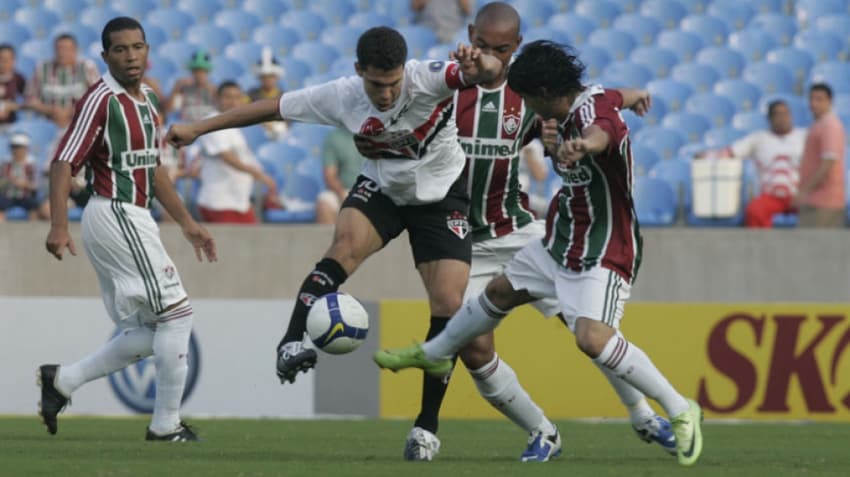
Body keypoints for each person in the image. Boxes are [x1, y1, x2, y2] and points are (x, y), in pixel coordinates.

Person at [165, 26, 536, 457]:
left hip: (440, 196)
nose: (385, 94)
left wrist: (482, 63)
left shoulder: (429, 78)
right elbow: (269, 109)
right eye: (376, 84)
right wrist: (198, 128)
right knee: (342, 249)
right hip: (383, 189)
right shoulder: (340, 95)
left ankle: (425, 428)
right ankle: (291, 342)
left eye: (393, 83)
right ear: (359, 71)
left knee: (449, 306)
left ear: (404, 71)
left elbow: (489, 70)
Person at [374, 40, 705, 468]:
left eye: (529, 98)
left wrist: (583, 146)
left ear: (546, 93)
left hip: (603, 248)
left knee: (592, 338)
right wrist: (638, 94)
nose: (525, 106)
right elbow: (616, 96)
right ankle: (438, 351)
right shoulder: (577, 104)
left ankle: (678, 409)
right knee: (497, 295)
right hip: (558, 239)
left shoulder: (589, 118)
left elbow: (604, 129)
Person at [39, 17, 216, 442]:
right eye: (120, 49)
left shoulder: (150, 99)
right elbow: (63, 161)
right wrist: (58, 225)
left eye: (137, 47)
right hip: (114, 212)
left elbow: (153, 169)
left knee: (155, 329)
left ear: (147, 49)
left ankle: (63, 380)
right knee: (178, 314)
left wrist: (188, 222)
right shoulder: (101, 100)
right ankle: (165, 426)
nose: (131, 55)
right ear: (105, 57)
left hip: (135, 215)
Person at [698, 100, 806, 227]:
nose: (782, 118)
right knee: (754, 210)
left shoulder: (804, 136)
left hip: (801, 194)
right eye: (778, 114)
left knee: (817, 207)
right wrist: (705, 155)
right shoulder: (758, 139)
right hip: (771, 197)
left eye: (786, 114)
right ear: (770, 118)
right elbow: (730, 153)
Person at [195, 81, 279, 224]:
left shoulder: (232, 125)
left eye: (237, 97)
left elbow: (244, 157)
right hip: (219, 202)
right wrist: (259, 175)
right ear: (217, 98)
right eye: (227, 97)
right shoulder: (211, 121)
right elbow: (226, 156)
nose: (233, 102)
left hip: (238, 201)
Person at [794, 83, 846, 227]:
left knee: (814, 246)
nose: (813, 104)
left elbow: (828, 162)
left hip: (824, 201)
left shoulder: (830, 126)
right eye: (811, 99)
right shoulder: (819, 124)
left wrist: (805, 190)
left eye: (819, 99)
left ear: (829, 101)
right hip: (814, 199)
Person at [25, 33, 99, 128]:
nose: (62, 53)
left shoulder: (87, 67)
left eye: (67, 49)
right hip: (47, 124)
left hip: (80, 122)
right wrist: (50, 110)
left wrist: (71, 111)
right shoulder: (42, 68)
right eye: (59, 49)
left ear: (75, 50)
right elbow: (30, 99)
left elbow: (97, 97)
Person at [316, 128, 368, 225]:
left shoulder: (377, 134)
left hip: (373, 192)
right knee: (324, 204)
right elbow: (330, 176)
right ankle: (331, 240)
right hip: (345, 192)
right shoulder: (334, 137)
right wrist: (344, 197)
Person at [248, 47, 288, 139]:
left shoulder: (284, 96)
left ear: (277, 77)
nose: (267, 80)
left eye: (271, 76)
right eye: (264, 77)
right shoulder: (251, 95)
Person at [166, 49, 217, 121]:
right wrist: (175, 90)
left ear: (207, 72)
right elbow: (170, 111)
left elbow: (220, 112)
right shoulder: (183, 89)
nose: (199, 74)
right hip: (187, 126)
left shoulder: (214, 90)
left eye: (203, 71)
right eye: (196, 70)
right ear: (192, 71)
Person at [0, 132, 39, 220]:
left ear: (26, 149)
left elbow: (36, 186)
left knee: (34, 206)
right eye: (15, 147)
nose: (17, 150)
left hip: (25, 196)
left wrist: (26, 184)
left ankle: (34, 229)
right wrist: (9, 181)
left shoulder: (32, 165)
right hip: (7, 195)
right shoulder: (5, 164)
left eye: (20, 147)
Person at [0, 44, 27, 129]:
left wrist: (11, 106)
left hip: (12, 124)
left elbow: (30, 102)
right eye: (1, 58)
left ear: (14, 61)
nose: (4, 62)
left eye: (8, 59)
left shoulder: (19, 79)